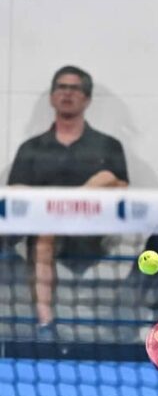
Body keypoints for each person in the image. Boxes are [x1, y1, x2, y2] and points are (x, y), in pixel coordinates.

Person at [7, 65, 129, 338]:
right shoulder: (31, 148)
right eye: (61, 87)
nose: (67, 93)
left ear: (87, 98)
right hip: (44, 230)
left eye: (75, 88)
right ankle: (45, 323)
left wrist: (80, 198)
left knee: (106, 177)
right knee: (45, 232)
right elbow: (15, 190)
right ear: (52, 96)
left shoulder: (108, 145)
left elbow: (121, 187)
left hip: (90, 228)